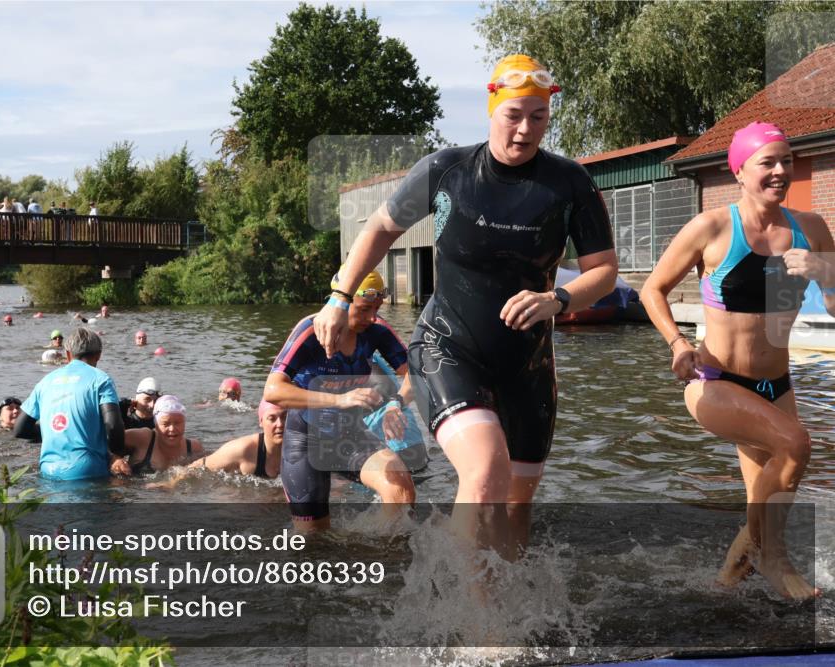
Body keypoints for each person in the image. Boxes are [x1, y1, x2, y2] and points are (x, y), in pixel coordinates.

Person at [313, 54, 617, 556]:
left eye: (537, 117)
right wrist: (338, 298)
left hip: (528, 364)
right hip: (448, 348)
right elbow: (380, 229)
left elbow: (604, 273)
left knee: (516, 510)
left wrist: (556, 299)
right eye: (513, 115)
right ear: (491, 107)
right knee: (484, 469)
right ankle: (472, 621)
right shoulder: (447, 170)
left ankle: (501, 601)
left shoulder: (569, 183)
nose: (524, 130)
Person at [641, 122, 834, 599]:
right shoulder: (712, 227)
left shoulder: (811, 228)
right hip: (716, 381)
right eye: (767, 162)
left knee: (767, 496)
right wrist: (677, 343)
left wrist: (824, 273)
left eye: (786, 160)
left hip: (777, 387)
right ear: (740, 171)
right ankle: (774, 560)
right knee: (796, 446)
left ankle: (725, 585)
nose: (780, 171)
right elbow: (652, 289)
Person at [264, 269, 416, 532]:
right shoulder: (310, 330)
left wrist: (396, 403)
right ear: (342, 302)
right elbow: (274, 390)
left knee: (400, 489)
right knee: (314, 544)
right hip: (306, 441)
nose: (372, 317)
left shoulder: (376, 330)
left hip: (350, 434)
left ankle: (382, 562)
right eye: (365, 308)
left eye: (377, 308)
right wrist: (339, 399)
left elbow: (416, 375)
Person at [15, 328, 126, 480]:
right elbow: (113, 425)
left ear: (68, 354)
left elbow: (20, 429)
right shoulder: (101, 379)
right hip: (87, 471)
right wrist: (117, 455)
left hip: (48, 470)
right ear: (99, 354)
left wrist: (58, 430)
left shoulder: (45, 381)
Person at [190, 399, 287, 479]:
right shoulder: (242, 450)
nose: (280, 424)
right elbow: (197, 467)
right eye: (272, 419)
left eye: (285, 417)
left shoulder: (301, 448)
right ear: (261, 422)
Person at [110, 395, 204, 475]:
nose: (172, 429)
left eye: (178, 423)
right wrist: (115, 458)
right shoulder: (142, 438)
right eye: (165, 424)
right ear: (155, 424)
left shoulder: (194, 448)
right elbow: (103, 442)